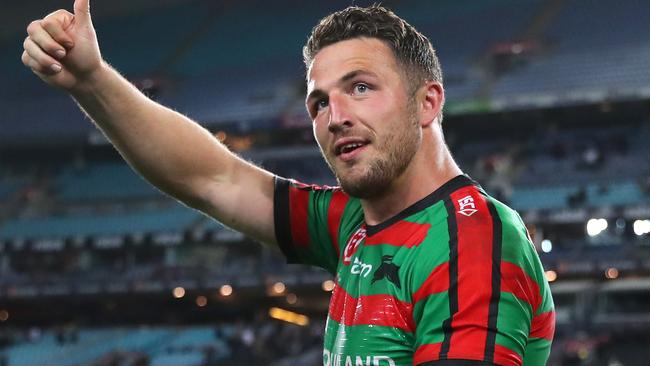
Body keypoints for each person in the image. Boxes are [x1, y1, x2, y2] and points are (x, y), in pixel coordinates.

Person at [22, 1, 555, 365]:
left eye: (361, 87)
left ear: (428, 102)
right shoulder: (355, 217)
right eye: (319, 102)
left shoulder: (473, 240)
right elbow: (212, 177)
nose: (335, 116)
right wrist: (91, 81)